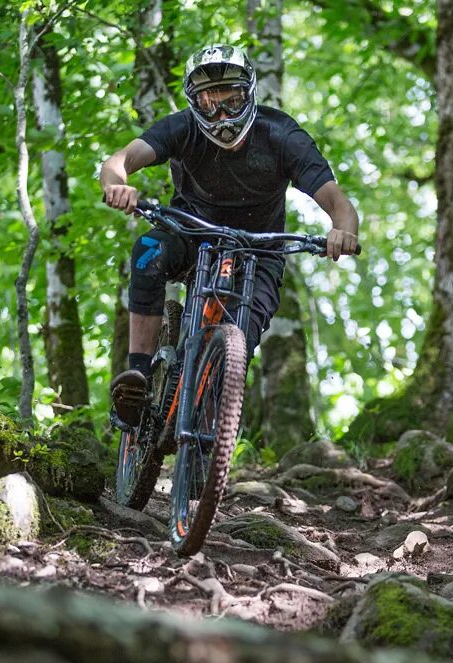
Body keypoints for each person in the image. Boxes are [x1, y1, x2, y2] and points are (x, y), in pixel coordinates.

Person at [100, 43, 360, 426]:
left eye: (231, 100)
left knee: (241, 339)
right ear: (194, 103)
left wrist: (343, 231)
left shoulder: (282, 135)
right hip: (190, 230)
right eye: (209, 102)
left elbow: (338, 202)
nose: (221, 113)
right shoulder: (182, 127)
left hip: (260, 250)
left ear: (249, 94)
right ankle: (137, 378)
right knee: (147, 251)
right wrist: (117, 185)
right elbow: (119, 161)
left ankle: (209, 435)